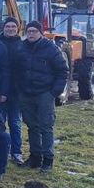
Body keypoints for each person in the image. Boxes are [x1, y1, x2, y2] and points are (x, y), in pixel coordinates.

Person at [13, 21, 69, 172]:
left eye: (34, 31)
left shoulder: (51, 49)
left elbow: (62, 71)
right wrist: (19, 88)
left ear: (41, 33)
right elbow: (16, 70)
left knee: (46, 126)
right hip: (26, 93)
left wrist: (54, 92)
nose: (31, 34)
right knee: (32, 126)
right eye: (29, 31)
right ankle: (35, 157)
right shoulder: (21, 48)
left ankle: (48, 160)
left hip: (45, 93)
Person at [0, 16, 25, 165]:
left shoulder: (22, 45)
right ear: (3, 28)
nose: (10, 29)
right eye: (8, 27)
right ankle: (0, 150)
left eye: (13, 27)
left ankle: (16, 151)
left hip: (16, 91)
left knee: (15, 123)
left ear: (17, 29)